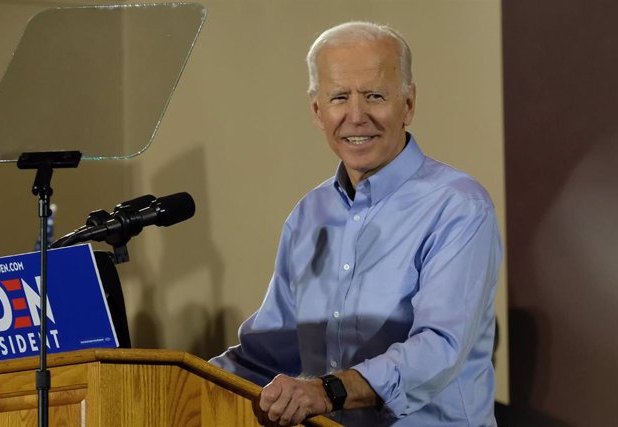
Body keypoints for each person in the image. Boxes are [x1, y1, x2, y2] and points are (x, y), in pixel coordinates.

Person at [210, 21, 502, 427]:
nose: (356, 116)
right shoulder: (308, 215)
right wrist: (173, 379)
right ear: (317, 110)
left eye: (375, 96)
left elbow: (439, 349)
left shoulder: (458, 207)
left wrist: (328, 391)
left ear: (409, 104)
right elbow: (267, 352)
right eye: (339, 97)